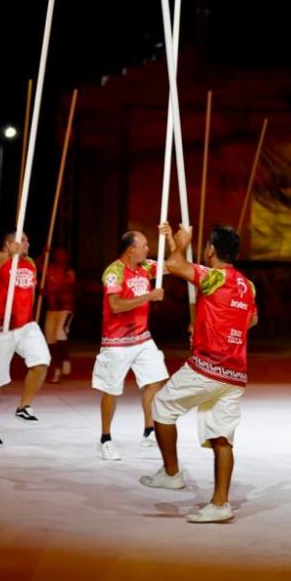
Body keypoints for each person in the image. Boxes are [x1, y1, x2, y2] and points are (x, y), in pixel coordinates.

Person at [139, 223, 258, 524]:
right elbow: (251, 319)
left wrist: (181, 242)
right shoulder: (247, 284)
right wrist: (217, 327)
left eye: (204, 245)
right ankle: (220, 504)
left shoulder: (214, 276)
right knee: (222, 439)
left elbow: (173, 265)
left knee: (162, 408)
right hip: (235, 372)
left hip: (208, 366)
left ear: (211, 251)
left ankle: (171, 473)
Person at [92, 231, 168, 460]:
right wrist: (149, 297)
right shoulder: (113, 272)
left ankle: (148, 430)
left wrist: (173, 238)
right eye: (144, 245)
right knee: (111, 390)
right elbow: (115, 306)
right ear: (130, 249)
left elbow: (173, 265)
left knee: (155, 380)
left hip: (142, 339)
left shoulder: (145, 266)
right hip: (116, 342)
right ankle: (105, 438)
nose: (148, 249)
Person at [0, 232, 50, 445]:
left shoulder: (29, 263)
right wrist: (8, 255)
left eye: (27, 240)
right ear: (10, 243)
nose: (27, 243)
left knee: (41, 361)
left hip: (25, 325)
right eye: (24, 240)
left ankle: (24, 406)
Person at [43, 247, 75, 384]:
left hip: (65, 309)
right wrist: (45, 253)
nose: (59, 256)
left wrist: (54, 289)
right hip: (52, 309)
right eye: (57, 254)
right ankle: (56, 368)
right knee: (50, 340)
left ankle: (65, 361)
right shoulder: (48, 268)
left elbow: (70, 286)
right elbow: (39, 266)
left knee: (59, 335)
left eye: (63, 254)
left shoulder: (69, 271)